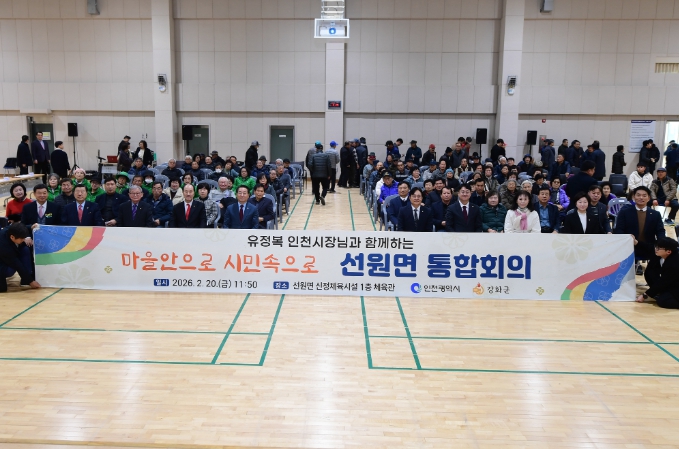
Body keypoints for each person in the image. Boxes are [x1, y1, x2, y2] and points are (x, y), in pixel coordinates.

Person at [614, 186, 665, 265]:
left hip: (648, 247)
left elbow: (660, 231)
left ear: (649, 198)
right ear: (634, 197)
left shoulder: (655, 214)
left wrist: (661, 245)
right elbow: (619, 229)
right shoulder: (625, 212)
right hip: (629, 247)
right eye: (638, 195)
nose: (641, 197)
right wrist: (627, 239)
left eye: (644, 195)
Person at [636, 237, 679, 308]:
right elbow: (648, 247)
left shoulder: (674, 263)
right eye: (656, 247)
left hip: (675, 286)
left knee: (663, 301)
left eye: (658, 248)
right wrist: (636, 242)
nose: (656, 249)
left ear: (668, 251)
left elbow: (663, 282)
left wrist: (645, 295)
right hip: (672, 284)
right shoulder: (661, 253)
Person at [0, 223, 40, 293]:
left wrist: (31, 227)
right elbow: (17, 264)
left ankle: (25, 279)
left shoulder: (10, 230)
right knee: (9, 273)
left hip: (8, 256)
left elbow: (19, 227)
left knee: (25, 249)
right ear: (12, 237)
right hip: (3, 262)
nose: (23, 240)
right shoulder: (4, 246)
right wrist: (31, 281)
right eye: (22, 239)